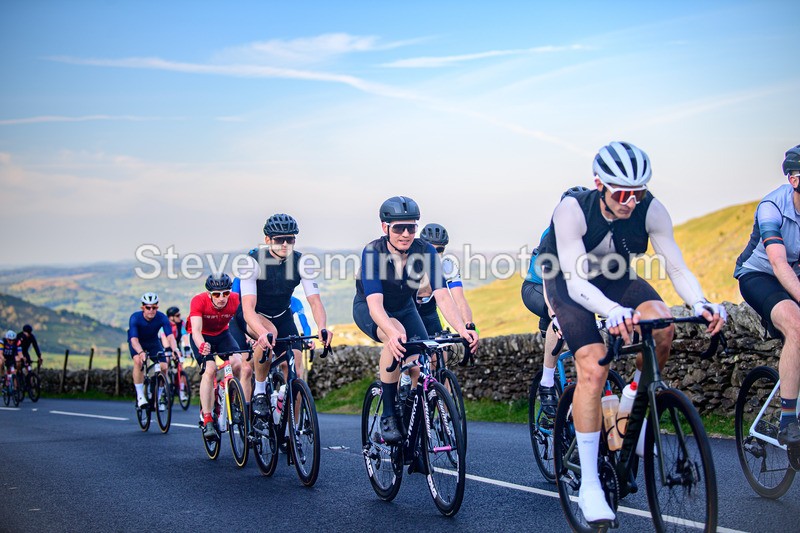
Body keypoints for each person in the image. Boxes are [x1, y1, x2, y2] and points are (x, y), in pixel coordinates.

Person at [538, 141, 726, 524]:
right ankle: (589, 484)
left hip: (614, 276)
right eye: (622, 193)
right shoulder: (572, 210)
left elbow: (675, 266)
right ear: (599, 184)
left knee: (663, 326)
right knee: (592, 365)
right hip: (567, 280)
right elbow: (575, 283)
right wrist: (612, 313)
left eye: (638, 192)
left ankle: (634, 401)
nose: (630, 201)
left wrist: (701, 302)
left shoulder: (650, 208)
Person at [353, 196, 479, 443]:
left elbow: (442, 296)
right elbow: (375, 304)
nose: (406, 233)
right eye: (399, 228)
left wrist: (463, 329)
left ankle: (414, 426)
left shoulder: (425, 251)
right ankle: (389, 414)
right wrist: (390, 331)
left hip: (405, 308)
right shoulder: (373, 252)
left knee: (421, 363)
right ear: (385, 227)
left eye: (411, 227)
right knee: (397, 333)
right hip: (371, 310)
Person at [234, 213, 333, 419]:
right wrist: (260, 333)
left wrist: (322, 327)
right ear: (268, 240)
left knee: (296, 365)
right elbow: (248, 308)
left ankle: (292, 428)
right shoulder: (252, 263)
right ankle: (260, 392)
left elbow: (315, 301)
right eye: (280, 240)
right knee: (269, 333)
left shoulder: (301, 262)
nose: (286, 244)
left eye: (291, 239)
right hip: (255, 315)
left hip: (282, 314)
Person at [734, 143, 800, 448]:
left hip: (793, 274)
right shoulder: (772, 207)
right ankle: (788, 421)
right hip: (758, 275)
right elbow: (778, 263)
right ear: (794, 179)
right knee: (795, 324)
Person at [521, 186, 589, 420]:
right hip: (537, 288)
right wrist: (555, 311)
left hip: (567, 288)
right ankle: (547, 383)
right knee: (561, 315)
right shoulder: (551, 233)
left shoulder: (591, 233)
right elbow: (551, 277)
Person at [188, 274, 249, 440]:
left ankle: (234, 402)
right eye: (216, 294)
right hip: (202, 337)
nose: (222, 298)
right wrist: (202, 345)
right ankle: (207, 418)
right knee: (210, 369)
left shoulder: (236, 299)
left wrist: (252, 336)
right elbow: (196, 330)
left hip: (223, 335)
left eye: (225, 293)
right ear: (209, 294)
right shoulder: (198, 301)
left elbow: (245, 322)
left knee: (238, 364)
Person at [128, 293, 180, 409]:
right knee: (138, 361)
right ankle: (140, 396)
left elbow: (170, 336)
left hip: (153, 342)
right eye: (148, 307)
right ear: (143, 308)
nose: (151, 310)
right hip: (138, 343)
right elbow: (134, 340)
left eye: (154, 307)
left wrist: (175, 349)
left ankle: (158, 397)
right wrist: (141, 353)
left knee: (164, 366)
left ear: (157, 307)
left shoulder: (162, 317)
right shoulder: (135, 318)